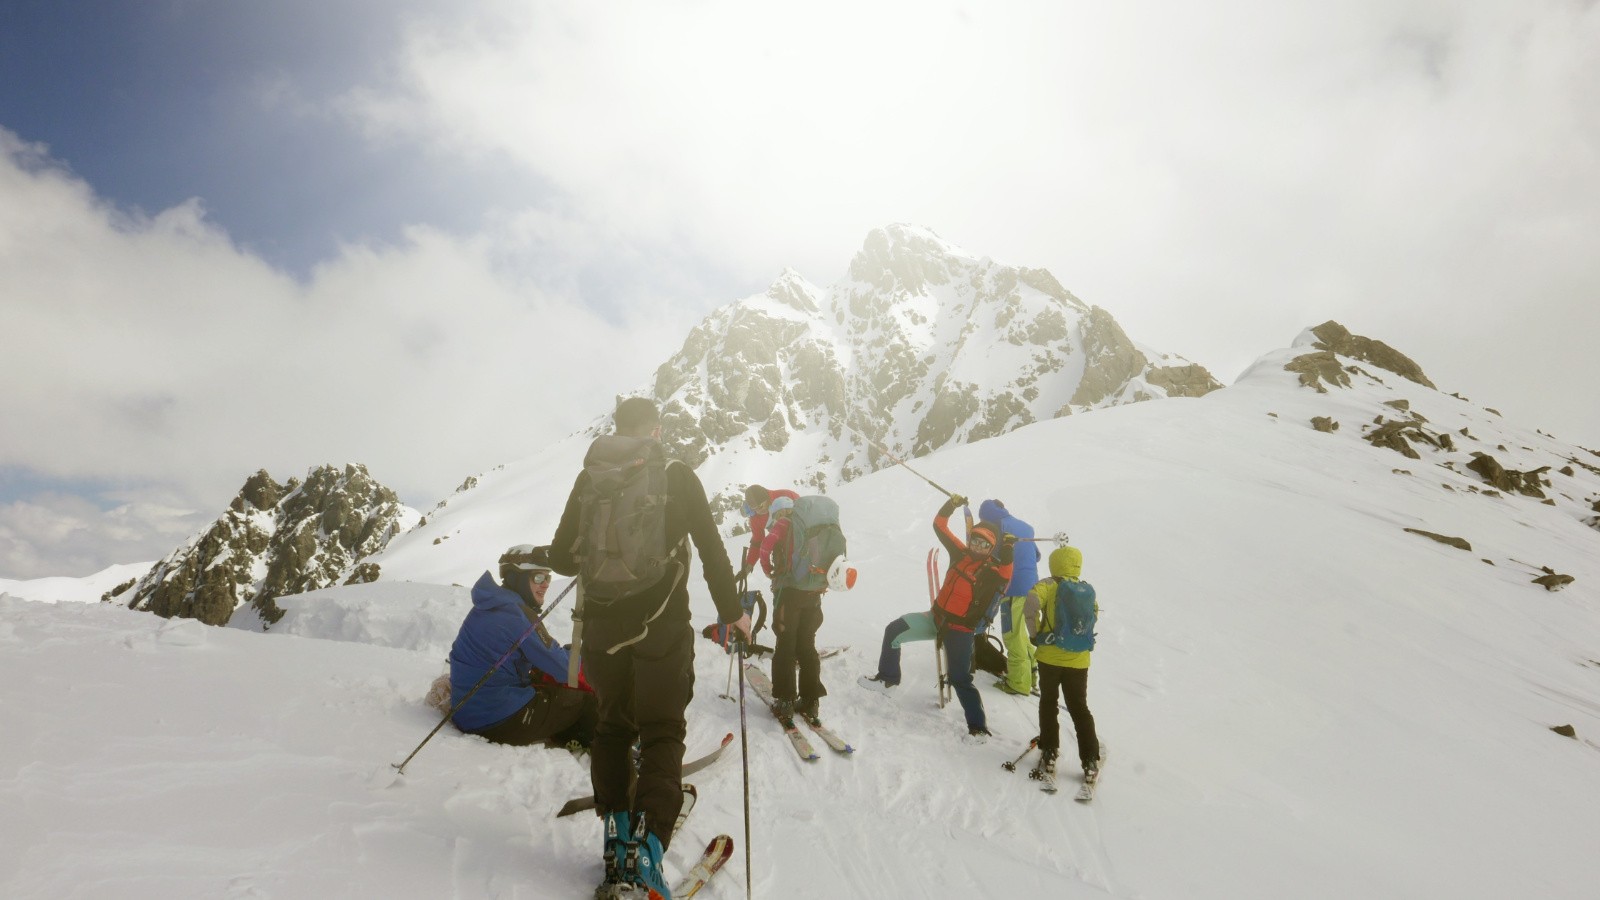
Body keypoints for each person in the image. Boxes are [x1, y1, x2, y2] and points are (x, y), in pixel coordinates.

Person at [536, 397, 752, 899]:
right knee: (661, 730)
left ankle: (616, 838)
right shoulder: (676, 474)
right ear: (655, 430)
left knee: (613, 727)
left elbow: (566, 560)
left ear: (617, 431)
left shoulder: (590, 478)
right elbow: (712, 547)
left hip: (602, 630)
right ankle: (648, 850)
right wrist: (732, 611)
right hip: (661, 629)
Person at [859, 494, 1014, 741]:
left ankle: (978, 728)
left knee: (960, 679)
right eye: (975, 540)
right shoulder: (960, 553)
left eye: (984, 545)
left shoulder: (991, 572)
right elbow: (939, 525)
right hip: (935, 618)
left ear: (990, 549)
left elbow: (1007, 574)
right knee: (894, 630)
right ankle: (888, 679)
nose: (978, 546)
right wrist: (951, 505)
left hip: (961, 631)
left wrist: (1007, 548)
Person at [446, 545, 596, 748]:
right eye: (538, 578)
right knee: (584, 701)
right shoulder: (518, 616)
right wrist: (597, 667)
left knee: (557, 664)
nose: (545, 585)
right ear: (516, 578)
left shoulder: (488, 605)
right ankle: (589, 741)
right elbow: (565, 670)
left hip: (466, 711)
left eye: (547, 578)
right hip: (498, 721)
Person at [1023, 545, 1102, 782]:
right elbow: (1093, 617)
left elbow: (1030, 605)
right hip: (1078, 661)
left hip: (1049, 657)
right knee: (1079, 707)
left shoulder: (1047, 585)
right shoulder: (1086, 590)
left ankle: (1049, 749)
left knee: (1049, 702)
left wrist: (1035, 634)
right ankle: (1089, 760)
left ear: (1053, 562)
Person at [756, 496, 827, 724]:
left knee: (786, 645)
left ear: (779, 513)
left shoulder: (783, 524)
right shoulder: (810, 526)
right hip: (813, 596)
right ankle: (810, 700)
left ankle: (785, 702)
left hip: (789, 595)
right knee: (807, 645)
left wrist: (768, 570)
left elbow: (765, 548)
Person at [978, 499, 1040, 696]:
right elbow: (1036, 555)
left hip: (1013, 588)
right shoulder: (1025, 527)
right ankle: (1031, 674)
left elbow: (992, 557)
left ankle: (1018, 683)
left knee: (1012, 635)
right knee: (1022, 634)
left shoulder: (997, 528)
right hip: (1033, 588)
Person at [739, 484, 799, 578]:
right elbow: (757, 541)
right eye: (754, 509)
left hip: (801, 538)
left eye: (760, 506)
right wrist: (749, 565)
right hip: (782, 548)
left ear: (766, 498)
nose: (758, 511)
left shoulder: (786, 495)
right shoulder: (755, 517)